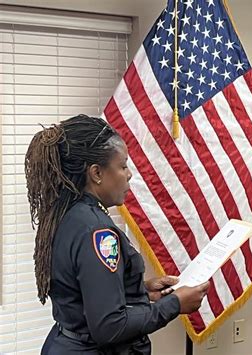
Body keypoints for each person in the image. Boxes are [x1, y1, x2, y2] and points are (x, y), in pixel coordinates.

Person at [25, 114, 210, 354]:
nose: (129, 174)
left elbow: (84, 292)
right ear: (96, 173)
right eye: (122, 166)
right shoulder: (97, 231)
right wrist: (174, 304)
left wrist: (140, 290)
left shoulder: (67, 212)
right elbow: (109, 326)